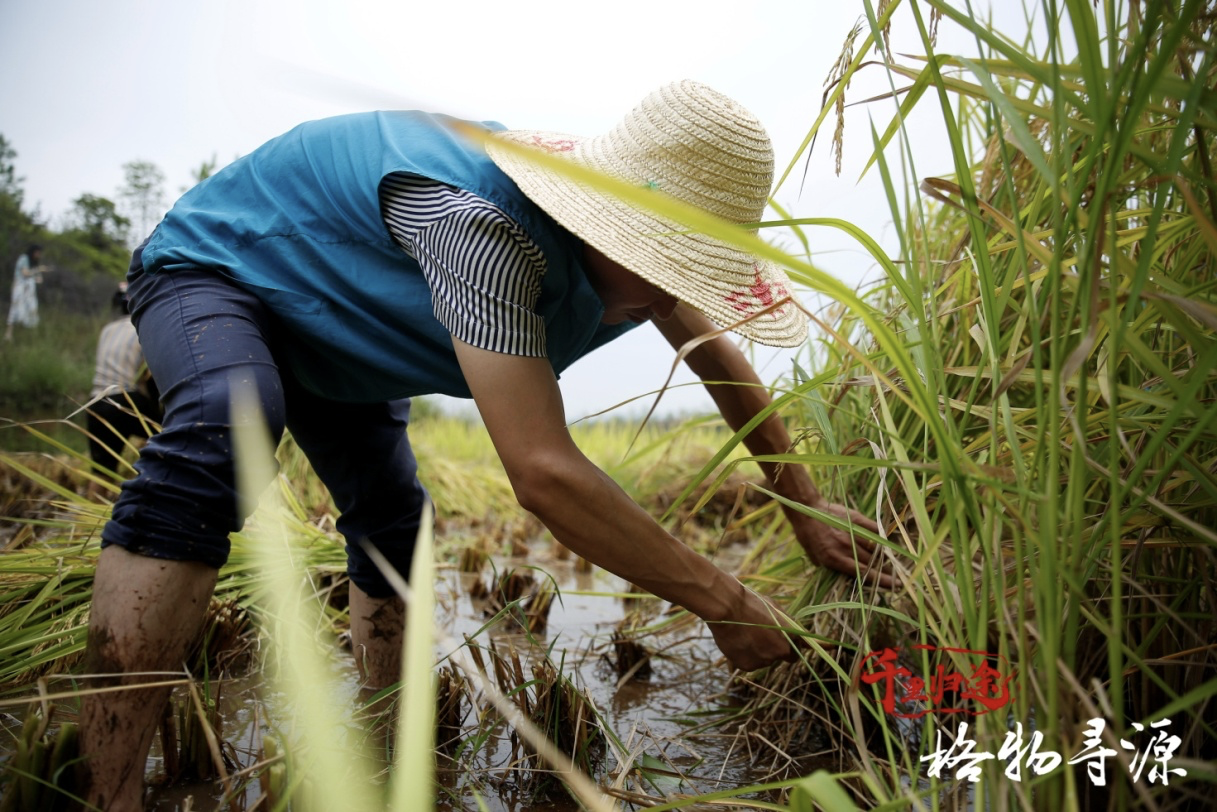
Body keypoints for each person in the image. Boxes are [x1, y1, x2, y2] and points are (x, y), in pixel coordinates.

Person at [78, 80, 892, 810]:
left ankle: (385, 753)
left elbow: (714, 353)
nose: (671, 291)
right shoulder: (479, 226)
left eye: (689, 269)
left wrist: (804, 504)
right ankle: (107, 791)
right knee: (228, 422)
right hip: (223, 268)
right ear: (600, 223)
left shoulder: (640, 266)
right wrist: (726, 603)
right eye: (662, 263)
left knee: (396, 519)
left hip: (341, 336)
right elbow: (542, 472)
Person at [85, 282, 160, 485]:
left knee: (101, 473)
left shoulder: (107, 329)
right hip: (125, 400)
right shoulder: (144, 327)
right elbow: (150, 376)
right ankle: (149, 480)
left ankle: (91, 512)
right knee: (168, 433)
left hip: (95, 402)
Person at [5, 244, 44, 340]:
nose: (39, 255)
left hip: (28, 291)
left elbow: (35, 277)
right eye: (38, 252)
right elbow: (25, 273)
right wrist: (38, 270)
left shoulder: (33, 262)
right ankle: (8, 334)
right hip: (19, 288)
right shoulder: (24, 258)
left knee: (31, 310)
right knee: (15, 309)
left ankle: (28, 336)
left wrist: (37, 277)